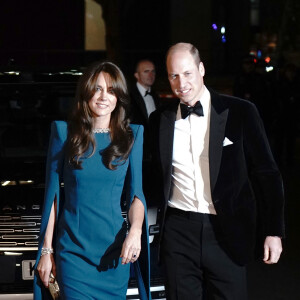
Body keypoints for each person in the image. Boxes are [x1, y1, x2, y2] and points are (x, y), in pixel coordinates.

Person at [149, 43, 285, 299]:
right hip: (178, 233)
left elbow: (267, 174)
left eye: (187, 73)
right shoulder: (160, 120)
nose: (181, 83)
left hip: (227, 232)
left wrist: (273, 231)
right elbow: (151, 176)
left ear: (201, 69)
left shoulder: (241, 112)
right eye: (173, 75)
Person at [33, 61, 151, 300]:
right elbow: (53, 198)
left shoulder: (131, 136)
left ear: (118, 97)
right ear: (86, 92)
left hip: (113, 254)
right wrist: (46, 250)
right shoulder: (64, 134)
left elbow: (136, 194)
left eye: (110, 90)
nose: (103, 96)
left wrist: (136, 232)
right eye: (97, 89)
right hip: (73, 254)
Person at [130, 59, 161, 206]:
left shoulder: (155, 95)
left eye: (153, 71)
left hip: (152, 153)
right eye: (146, 71)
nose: (151, 74)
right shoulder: (129, 96)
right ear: (137, 75)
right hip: (135, 151)